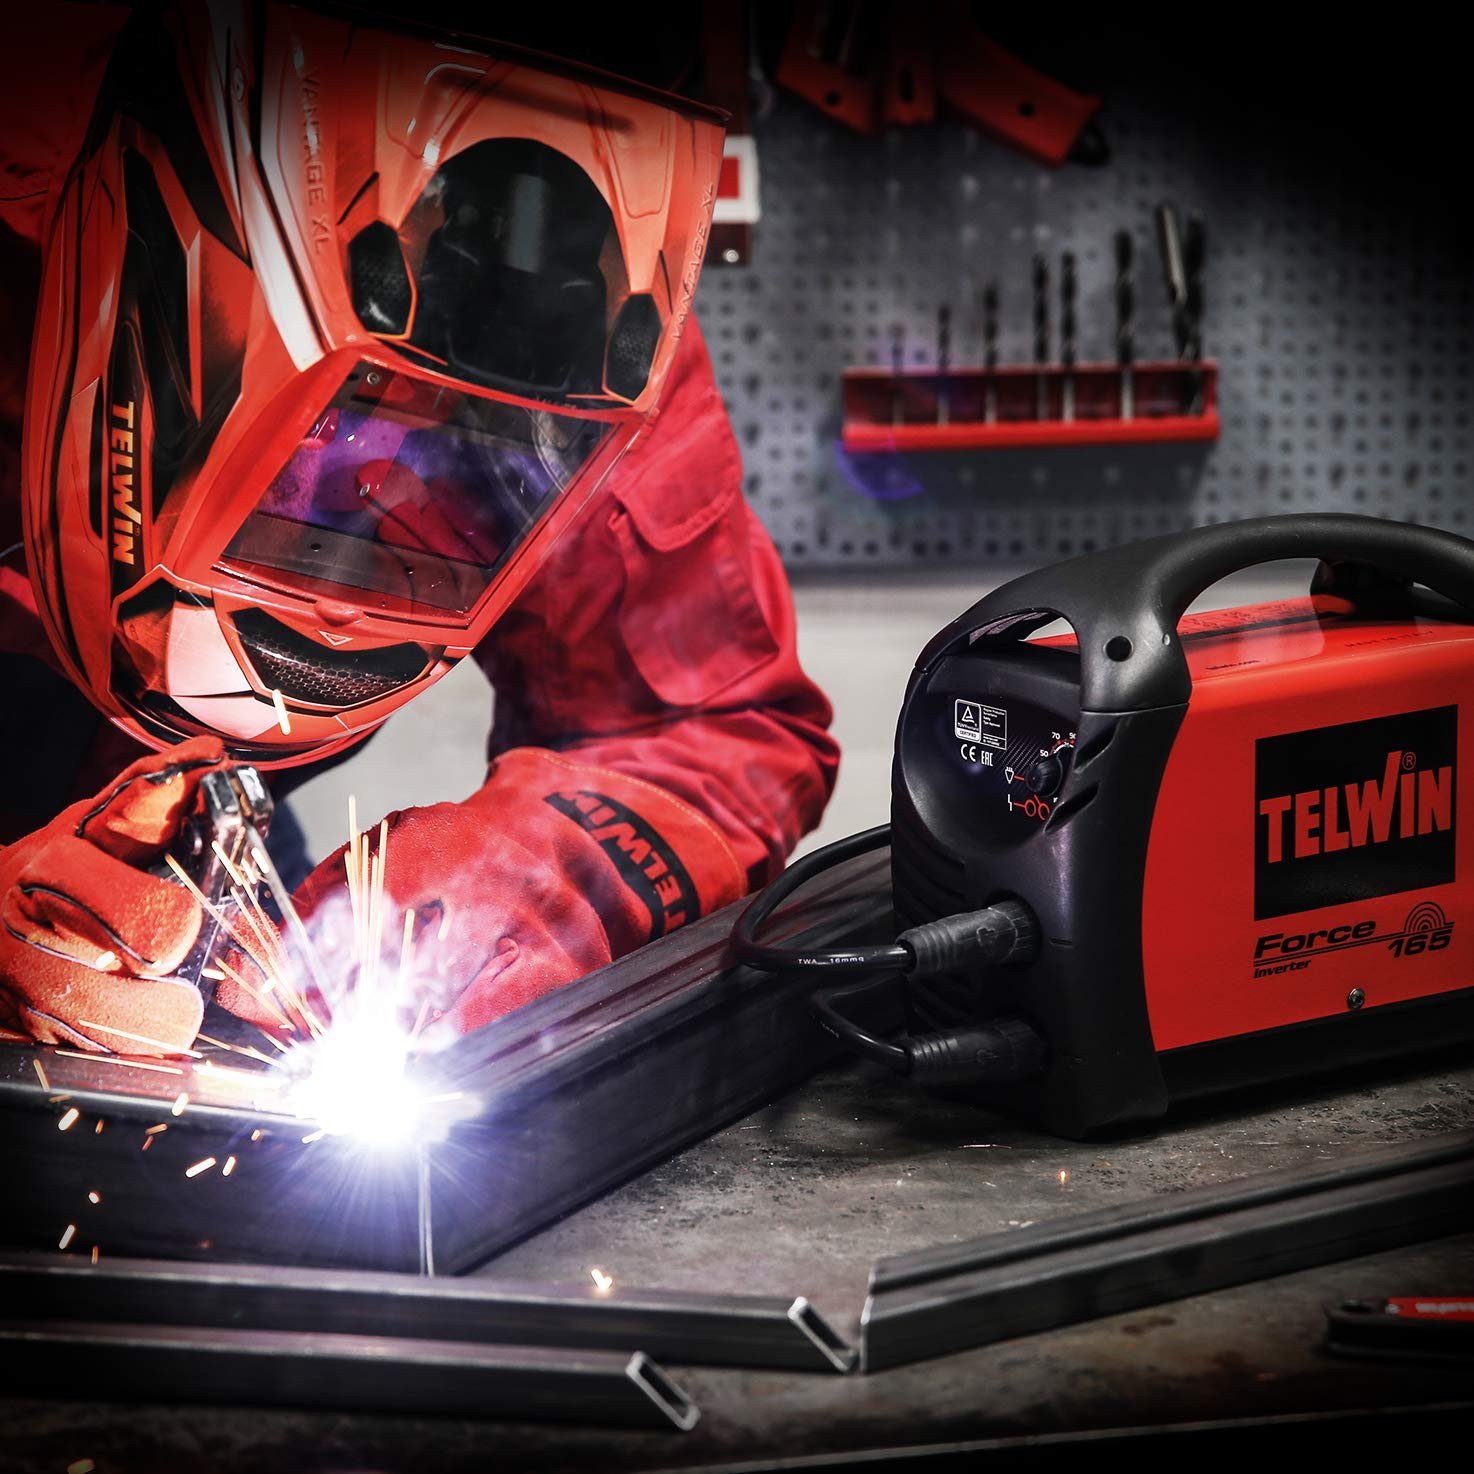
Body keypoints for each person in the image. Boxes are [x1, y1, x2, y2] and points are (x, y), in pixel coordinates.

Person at [0, 3, 836, 1053]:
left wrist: (543, 872)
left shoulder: (597, 351)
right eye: (316, 466)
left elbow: (713, 728)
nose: (340, 589)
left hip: (177, 865)